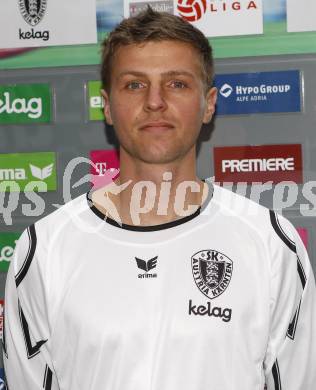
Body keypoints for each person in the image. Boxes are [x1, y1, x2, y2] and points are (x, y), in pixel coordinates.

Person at [3, 6, 316, 390]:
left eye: (177, 84)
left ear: (210, 104)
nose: (155, 101)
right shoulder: (46, 248)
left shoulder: (269, 243)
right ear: (107, 106)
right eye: (134, 84)